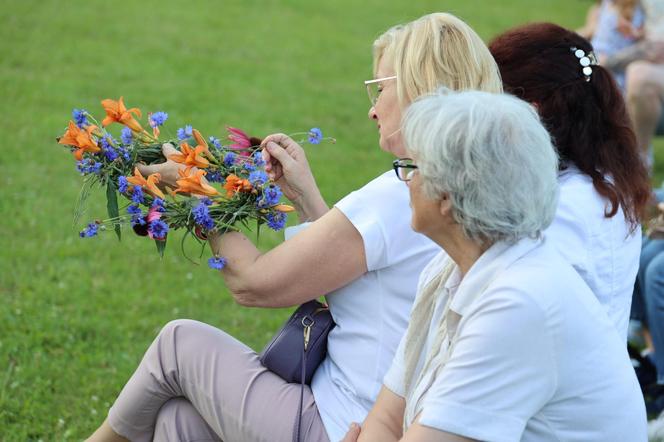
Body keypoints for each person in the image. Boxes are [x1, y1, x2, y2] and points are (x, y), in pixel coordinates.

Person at [86, 13, 503, 442]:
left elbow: (253, 283)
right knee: (178, 422)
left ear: (419, 87)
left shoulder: (402, 196)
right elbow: (360, 276)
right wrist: (305, 197)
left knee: (178, 344)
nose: (372, 109)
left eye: (381, 88)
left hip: (343, 422)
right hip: (373, 415)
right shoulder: (464, 191)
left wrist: (195, 189)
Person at [342, 89, 647, 442]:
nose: (407, 182)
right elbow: (388, 417)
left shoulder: (520, 301)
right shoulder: (450, 268)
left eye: (413, 168)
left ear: (447, 196)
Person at [489, 22, 651, 340]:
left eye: (488, 101)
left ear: (528, 112)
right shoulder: (601, 181)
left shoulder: (561, 210)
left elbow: (514, 326)